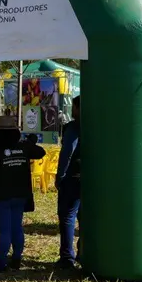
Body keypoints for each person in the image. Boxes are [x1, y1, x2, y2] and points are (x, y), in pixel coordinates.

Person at [0, 116, 46, 271]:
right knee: (16, 227)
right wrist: (30, 143)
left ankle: (1, 262)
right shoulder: (23, 146)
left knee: (4, 230)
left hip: (0, 194)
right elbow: (41, 152)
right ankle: (16, 258)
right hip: (20, 194)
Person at [56, 96, 81, 269]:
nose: (72, 111)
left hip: (73, 177)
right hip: (92, 178)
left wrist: (60, 175)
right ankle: (84, 253)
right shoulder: (99, 124)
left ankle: (67, 257)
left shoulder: (73, 127)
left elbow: (68, 151)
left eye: (74, 107)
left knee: (67, 216)